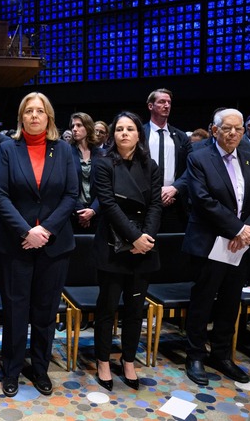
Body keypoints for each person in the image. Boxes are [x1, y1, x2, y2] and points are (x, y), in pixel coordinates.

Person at [0, 92, 79, 397]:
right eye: (28, 111)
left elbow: (71, 194)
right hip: (16, 244)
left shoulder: (64, 150)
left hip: (54, 245)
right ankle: (12, 369)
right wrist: (27, 231)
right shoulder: (7, 148)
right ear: (21, 117)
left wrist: (46, 230)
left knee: (45, 311)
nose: (34, 116)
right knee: (16, 310)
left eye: (40, 111)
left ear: (49, 117)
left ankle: (40, 368)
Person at [183, 108, 250, 386]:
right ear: (215, 129)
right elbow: (203, 200)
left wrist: (246, 232)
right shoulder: (199, 158)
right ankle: (195, 355)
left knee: (231, 303)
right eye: (228, 128)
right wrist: (237, 228)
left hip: (241, 246)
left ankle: (222, 354)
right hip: (211, 242)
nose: (234, 133)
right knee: (203, 301)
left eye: (239, 129)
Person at [91, 111, 163, 391]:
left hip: (143, 247)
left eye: (129, 129)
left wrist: (146, 238)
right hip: (114, 245)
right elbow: (108, 205)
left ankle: (129, 360)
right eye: (119, 128)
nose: (124, 133)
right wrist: (134, 238)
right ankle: (103, 361)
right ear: (113, 134)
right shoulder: (103, 163)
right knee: (107, 309)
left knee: (135, 310)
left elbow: (156, 205)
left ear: (138, 134)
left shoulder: (151, 165)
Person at [144, 88, 192, 233]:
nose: (167, 105)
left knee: (173, 247)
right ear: (150, 106)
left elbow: (191, 167)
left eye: (169, 102)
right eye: (162, 102)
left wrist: (175, 188)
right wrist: (155, 193)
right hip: (146, 200)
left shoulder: (181, 136)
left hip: (175, 201)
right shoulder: (139, 134)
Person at [70, 112, 103, 233]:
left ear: (88, 128)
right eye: (73, 126)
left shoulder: (102, 154)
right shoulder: (66, 153)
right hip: (73, 213)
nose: (74, 129)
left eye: (79, 125)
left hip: (98, 212)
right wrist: (80, 212)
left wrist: (93, 210)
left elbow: (106, 186)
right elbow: (64, 186)